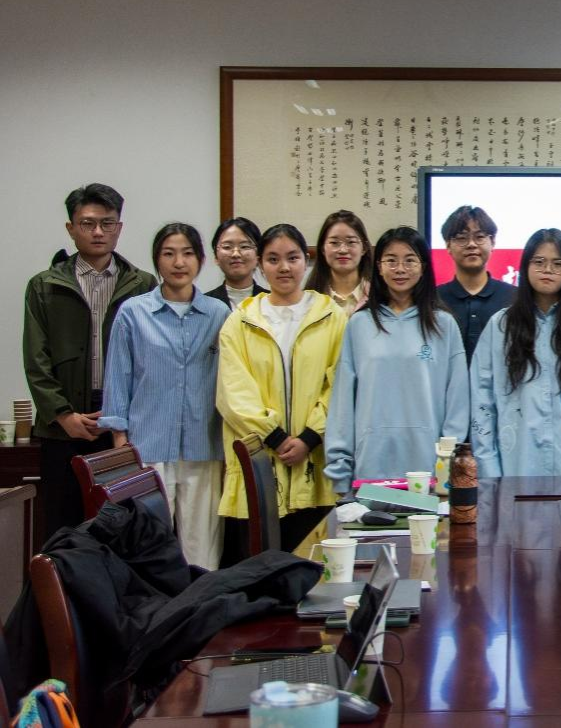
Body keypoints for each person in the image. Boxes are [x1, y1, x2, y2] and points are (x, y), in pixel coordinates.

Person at [23, 183, 156, 541]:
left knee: (123, 530)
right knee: (63, 529)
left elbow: (149, 361)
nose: (98, 232)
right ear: (71, 228)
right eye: (87, 223)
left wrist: (122, 421)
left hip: (122, 430)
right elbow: (36, 359)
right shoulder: (44, 286)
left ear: (119, 228)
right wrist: (63, 415)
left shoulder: (142, 284)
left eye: (107, 223)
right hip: (62, 429)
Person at [100, 223, 231, 568]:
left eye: (187, 253)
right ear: (157, 260)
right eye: (168, 253)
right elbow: (118, 379)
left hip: (204, 445)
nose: (179, 262)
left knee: (202, 550)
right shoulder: (133, 312)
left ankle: (200, 602)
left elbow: (231, 382)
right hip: (147, 446)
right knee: (149, 546)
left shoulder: (219, 314)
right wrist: (120, 441)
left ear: (201, 260)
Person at [217, 224, 347, 555]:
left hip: (314, 462)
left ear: (307, 260)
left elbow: (341, 385)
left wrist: (309, 437)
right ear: (260, 264)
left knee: (313, 563)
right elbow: (233, 393)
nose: (284, 267)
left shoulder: (332, 317)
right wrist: (274, 436)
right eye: (273, 259)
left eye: (293, 258)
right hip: (261, 461)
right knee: (262, 565)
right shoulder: (240, 321)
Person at [325, 227, 470, 490]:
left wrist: (448, 461)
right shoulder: (360, 324)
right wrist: (340, 470)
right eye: (391, 260)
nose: (400, 269)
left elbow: (458, 400)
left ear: (423, 267)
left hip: (429, 469)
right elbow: (343, 402)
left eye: (409, 260)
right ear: (379, 267)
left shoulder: (444, 325)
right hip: (370, 465)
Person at [471, 228, 561, 477]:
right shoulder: (501, 327)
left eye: (558, 264)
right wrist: (489, 471)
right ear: (525, 266)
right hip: (512, 468)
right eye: (539, 262)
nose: (548, 269)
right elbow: (482, 402)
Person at [436, 205, 516, 362]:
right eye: (461, 238)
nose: (471, 244)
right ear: (448, 245)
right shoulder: (433, 299)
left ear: (492, 242)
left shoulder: (515, 297)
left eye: (479, 237)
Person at [305, 209, 372, 316]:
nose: (343, 250)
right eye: (334, 242)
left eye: (351, 242)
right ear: (323, 248)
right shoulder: (308, 300)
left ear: (364, 248)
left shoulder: (378, 295)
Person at [206, 217, 266, 309]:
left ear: (258, 256)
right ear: (216, 256)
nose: (236, 254)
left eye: (244, 246)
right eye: (227, 247)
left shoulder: (271, 301)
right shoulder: (204, 305)